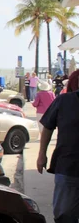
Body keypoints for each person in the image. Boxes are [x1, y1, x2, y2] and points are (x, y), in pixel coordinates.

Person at [37, 69, 79, 222]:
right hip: (67, 167)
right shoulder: (64, 101)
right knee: (64, 215)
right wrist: (42, 154)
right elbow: (48, 126)